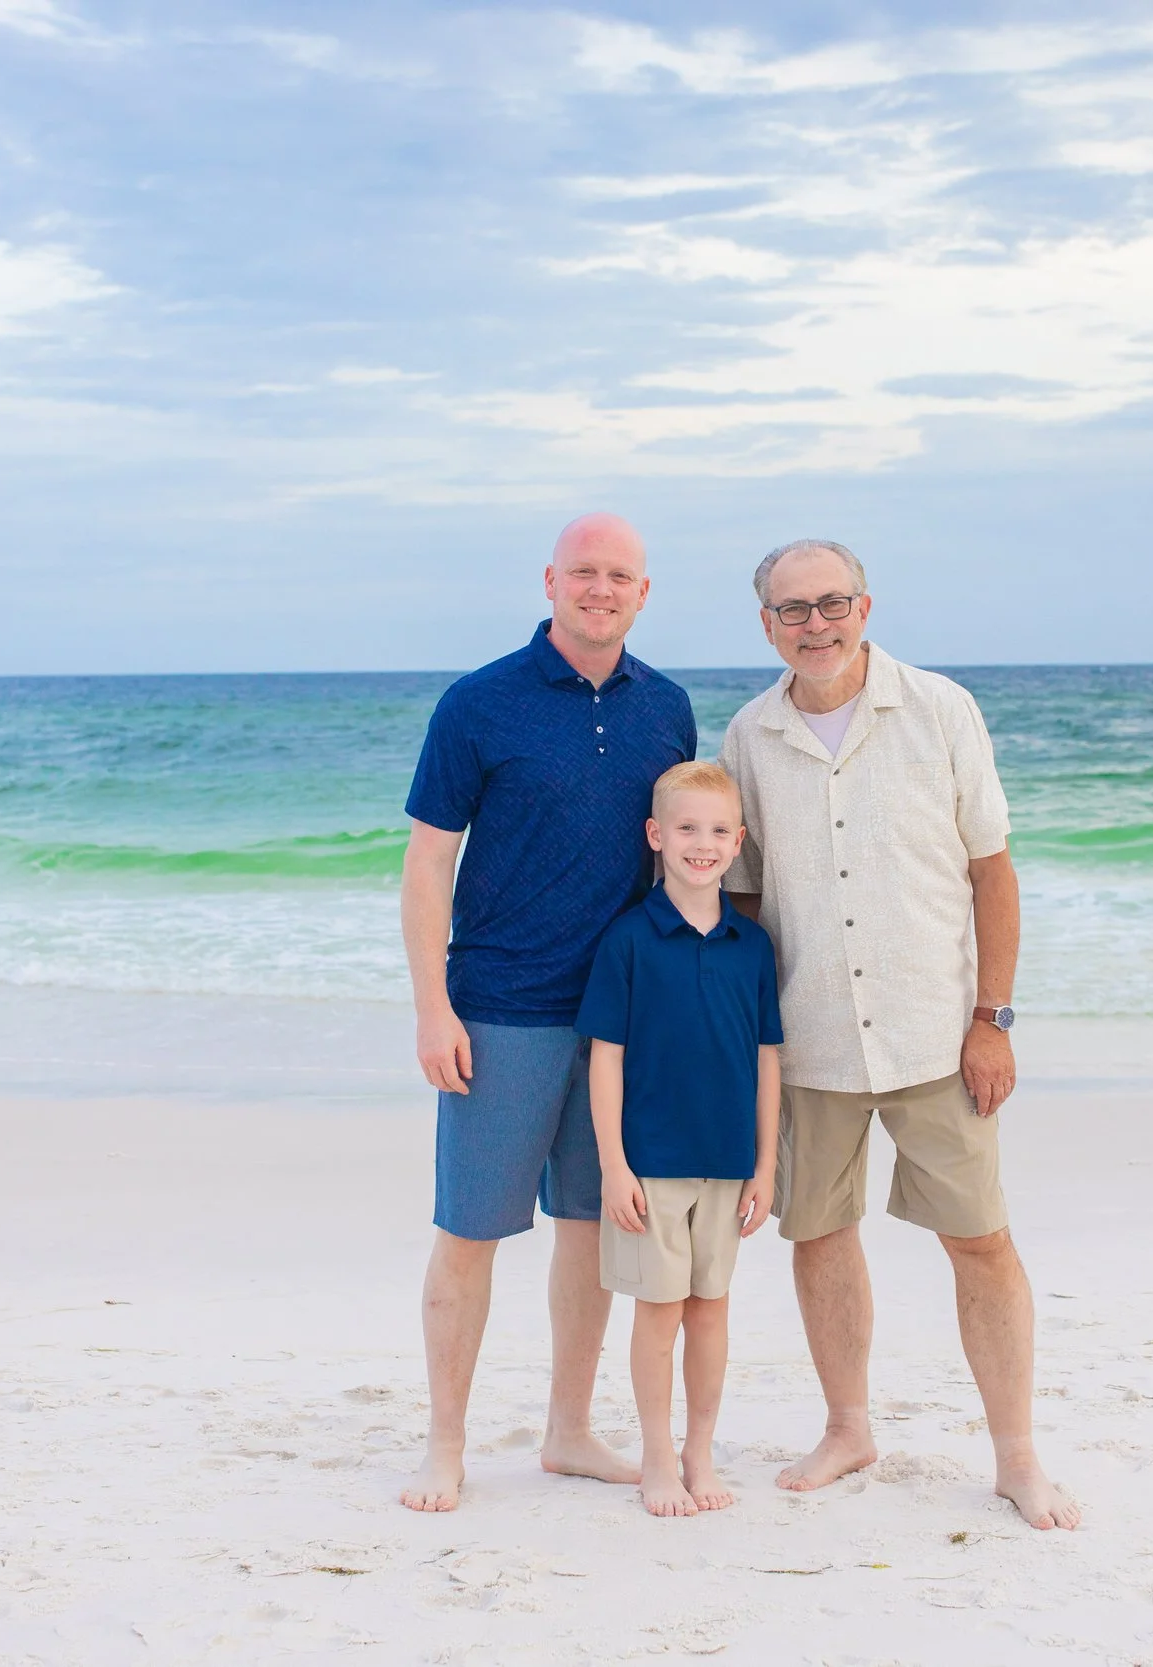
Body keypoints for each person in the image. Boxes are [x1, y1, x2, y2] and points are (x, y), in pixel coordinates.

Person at [719, 537, 1081, 1531]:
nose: (815, 623)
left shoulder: (939, 709)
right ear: (767, 625)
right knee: (819, 1232)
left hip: (936, 1034)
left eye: (831, 602)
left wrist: (992, 1018)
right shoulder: (747, 736)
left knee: (982, 1240)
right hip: (812, 1042)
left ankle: (1015, 1453)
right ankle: (848, 1425)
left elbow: (991, 870)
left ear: (865, 606)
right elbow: (742, 905)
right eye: (792, 610)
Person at [397, 512, 697, 1513]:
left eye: (619, 574)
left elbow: (683, 854)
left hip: (618, 1018)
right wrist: (432, 1005)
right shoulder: (478, 702)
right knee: (470, 1230)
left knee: (588, 1228)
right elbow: (428, 862)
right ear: (550, 582)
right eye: (583, 571)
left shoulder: (668, 706)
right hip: (500, 1010)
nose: (599, 587)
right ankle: (446, 1442)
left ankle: (569, 1428)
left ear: (643, 591)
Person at [578, 760, 783, 1517]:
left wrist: (765, 1164)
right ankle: (657, 1457)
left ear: (739, 842)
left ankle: (702, 1449)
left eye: (718, 830)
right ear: (657, 836)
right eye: (687, 828)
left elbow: (768, 1061)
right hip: (651, 1166)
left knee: (711, 1307)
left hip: (728, 1165)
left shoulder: (751, 944)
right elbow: (607, 1056)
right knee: (658, 1312)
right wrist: (613, 1166)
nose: (703, 843)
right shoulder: (629, 939)